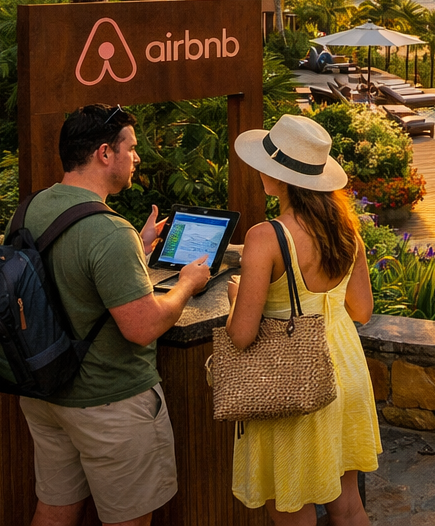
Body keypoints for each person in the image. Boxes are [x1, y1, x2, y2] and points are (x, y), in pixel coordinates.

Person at [19, 104, 211, 526]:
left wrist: (136, 250)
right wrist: (186, 284)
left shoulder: (32, 209)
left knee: (53, 511)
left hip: (46, 394)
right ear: (105, 153)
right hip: (109, 404)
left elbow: (67, 275)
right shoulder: (108, 230)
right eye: (132, 148)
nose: (136, 157)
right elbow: (142, 327)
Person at [226, 114, 379, 526]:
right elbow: (361, 311)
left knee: (292, 508)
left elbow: (241, 335)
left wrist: (237, 298)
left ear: (277, 177)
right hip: (345, 371)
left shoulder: (266, 236)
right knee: (348, 506)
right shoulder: (347, 231)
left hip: (294, 379)